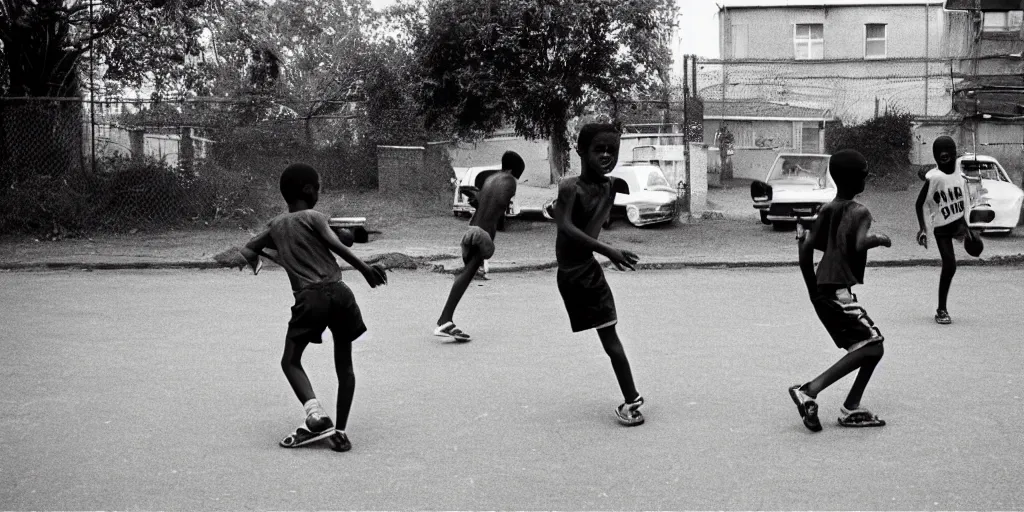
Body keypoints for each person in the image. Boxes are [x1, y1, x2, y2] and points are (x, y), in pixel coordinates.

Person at [230, 163, 388, 452]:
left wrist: (258, 258)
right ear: (307, 190)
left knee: (290, 361)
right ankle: (339, 431)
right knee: (345, 364)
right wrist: (365, 270)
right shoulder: (315, 216)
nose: (318, 192)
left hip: (310, 299)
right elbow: (336, 245)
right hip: (341, 294)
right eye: (317, 187)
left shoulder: (275, 226)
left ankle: (316, 416)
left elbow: (247, 251)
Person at [789, 149, 890, 432]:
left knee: (871, 348)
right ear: (858, 178)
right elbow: (859, 244)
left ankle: (851, 406)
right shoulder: (860, 212)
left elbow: (806, 247)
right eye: (864, 173)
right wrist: (879, 239)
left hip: (824, 290)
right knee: (874, 344)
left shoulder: (827, 209)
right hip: (837, 293)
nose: (867, 177)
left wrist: (812, 289)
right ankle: (809, 390)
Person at [553, 123, 645, 426]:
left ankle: (632, 400)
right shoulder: (569, 187)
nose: (607, 154)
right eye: (599, 149)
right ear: (580, 151)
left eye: (612, 150)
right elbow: (566, 226)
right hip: (573, 274)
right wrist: (610, 251)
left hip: (585, 273)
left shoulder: (610, 186)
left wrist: (608, 250)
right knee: (609, 337)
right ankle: (632, 400)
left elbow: (591, 222)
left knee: (610, 337)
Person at [433, 151, 525, 342]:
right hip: (483, 234)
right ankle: (444, 319)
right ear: (515, 170)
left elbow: (482, 201)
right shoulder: (510, 182)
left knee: (468, 272)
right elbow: (499, 206)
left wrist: (477, 198)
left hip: (472, 229)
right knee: (467, 273)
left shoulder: (491, 179)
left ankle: (446, 318)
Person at [915, 136, 979, 325]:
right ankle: (941, 309)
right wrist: (923, 229)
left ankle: (942, 308)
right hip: (942, 228)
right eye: (939, 152)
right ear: (935, 155)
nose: (943, 154)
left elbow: (965, 201)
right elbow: (919, 204)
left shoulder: (959, 173)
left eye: (947, 151)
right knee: (950, 265)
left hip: (958, 223)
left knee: (976, 248)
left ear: (953, 153)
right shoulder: (934, 178)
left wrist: (968, 226)